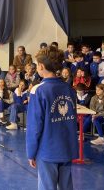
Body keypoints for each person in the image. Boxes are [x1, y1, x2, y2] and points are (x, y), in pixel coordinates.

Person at [26, 46, 78, 190]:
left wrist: (31, 153)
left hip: (47, 151)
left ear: (41, 66)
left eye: (37, 65)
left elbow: (34, 126)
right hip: (66, 148)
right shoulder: (69, 89)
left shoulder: (38, 90)